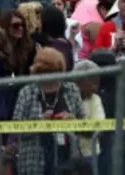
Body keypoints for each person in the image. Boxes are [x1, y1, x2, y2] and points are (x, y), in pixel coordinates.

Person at [12, 47, 86, 175]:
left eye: (53, 73)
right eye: (44, 74)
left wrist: (74, 121)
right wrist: (38, 123)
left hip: (69, 163)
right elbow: (14, 131)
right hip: (34, 163)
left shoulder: (72, 90)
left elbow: (87, 128)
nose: (49, 80)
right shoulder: (27, 92)